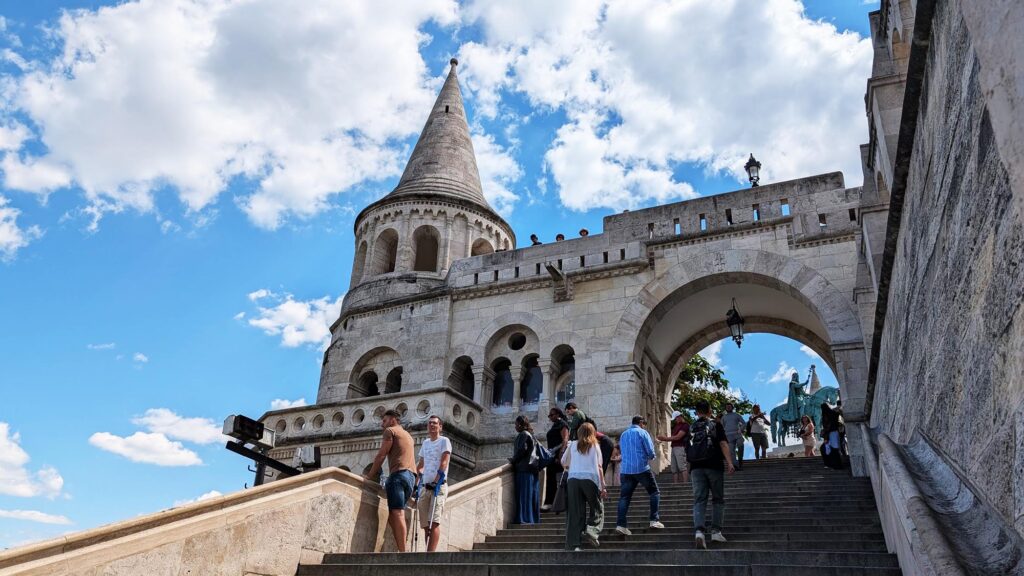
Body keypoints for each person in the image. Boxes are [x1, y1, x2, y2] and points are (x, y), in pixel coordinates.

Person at [364, 409, 417, 552]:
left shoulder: (390, 431)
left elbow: (381, 455)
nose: (382, 425)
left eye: (384, 421)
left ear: (393, 420)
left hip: (398, 475)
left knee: (397, 513)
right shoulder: (408, 435)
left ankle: (403, 552)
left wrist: (369, 475)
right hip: (411, 477)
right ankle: (401, 548)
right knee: (393, 516)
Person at [687, 399, 735, 549]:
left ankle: (699, 532)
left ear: (696, 412)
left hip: (696, 467)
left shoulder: (691, 427)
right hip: (714, 465)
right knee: (718, 499)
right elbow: (723, 443)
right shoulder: (716, 424)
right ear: (709, 411)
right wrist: (730, 462)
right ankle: (716, 532)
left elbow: (687, 449)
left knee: (699, 500)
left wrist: (689, 469)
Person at [614, 415, 664, 535]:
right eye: (644, 424)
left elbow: (622, 450)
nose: (644, 426)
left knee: (624, 497)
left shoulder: (623, 434)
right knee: (654, 492)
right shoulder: (642, 433)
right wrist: (651, 456)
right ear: (641, 423)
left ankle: (621, 525)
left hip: (626, 470)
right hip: (641, 468)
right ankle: (654, 520)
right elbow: (650, 451)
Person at [561, 422, 607, 550]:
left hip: (573, 479)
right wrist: (603, 486)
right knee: (597, 508)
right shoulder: (595, 446)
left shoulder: (572, 445)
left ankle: (574, 544)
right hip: (590, 479)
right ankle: (592, 531)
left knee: (575, 513)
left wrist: (573, 465)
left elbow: (563, 461)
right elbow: (599, 467)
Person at [414, 415, 451, 551]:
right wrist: (415, 483)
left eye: (435, 423)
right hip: (425, 486)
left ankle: (430, 555)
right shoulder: (425, 443)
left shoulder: (444, 441)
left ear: (440, 426)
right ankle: (427, 551)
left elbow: (444, 462)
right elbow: (421, 465)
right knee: (425, 525)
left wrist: (436, 481)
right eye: (430, 423)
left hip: (438, 486)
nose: (432, 425)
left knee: (434, 522)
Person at [509, 415, 540, 524]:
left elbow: (522, 449)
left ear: (521, 425)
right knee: (529, 495)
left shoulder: (524, 434)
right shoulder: (530, 435)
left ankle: (524, 518)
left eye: (516, 424)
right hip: (530, 469)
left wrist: (513, 460)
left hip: (524, 469)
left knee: (524, 495)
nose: (515, 427)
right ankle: (530, 518)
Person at [542, 408, 569, 511]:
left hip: (558, 456)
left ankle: (561, 503)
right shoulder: (555, 425)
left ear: (558, 414)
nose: (550, 417)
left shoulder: (562, 424)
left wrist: (560, 455)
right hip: (552, 456)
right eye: (549, 415)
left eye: (551, 415)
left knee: (562, 479)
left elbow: (565, 440)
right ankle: (550, 503)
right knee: (551, 479)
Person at [656, 410, 690, 483]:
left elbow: (678, 437)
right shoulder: (676, 426)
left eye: (676, 418)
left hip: (680, 447)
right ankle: (675, 484)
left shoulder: (685, 425)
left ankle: (685, 483)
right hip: (674, 447)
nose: (675, 420)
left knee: (682, 466)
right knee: (674, 468)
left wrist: (665, 439)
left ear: (680, 417)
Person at [721, 403, 746, 471]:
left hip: (737, 434)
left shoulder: (737, 415)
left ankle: (740, 460)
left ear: (732, 408)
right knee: (731, 451)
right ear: (725, 408)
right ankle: (735, 465)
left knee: (741, 445)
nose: (728, 408)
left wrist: (741, 429)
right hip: (728, 435)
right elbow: (721, 427)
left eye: (729, 407)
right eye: (727, 407)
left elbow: (744, 423)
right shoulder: (724, 417)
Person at [820, 404, 845, 470]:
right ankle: (837, 465)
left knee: (830, 449)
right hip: (835, 432)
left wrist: (826, 437)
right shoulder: (834, 413)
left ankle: (834, 465)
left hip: (830, 433)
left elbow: (827, 427)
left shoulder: (826, 415)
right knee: (834, 450)